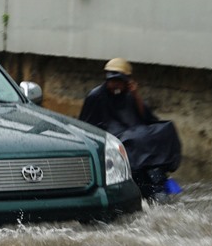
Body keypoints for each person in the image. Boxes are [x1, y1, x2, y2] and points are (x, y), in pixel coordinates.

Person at [78, 58, 182, 199]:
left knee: (164, 130)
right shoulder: (96, 96)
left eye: (119, 81)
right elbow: (86, 125)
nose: (115, 85)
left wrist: (136, 95)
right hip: (113, 135)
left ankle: (158, 181)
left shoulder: (129, 95)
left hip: (135, 132)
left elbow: (147, 118)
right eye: (112, 81)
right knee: (135, 140)